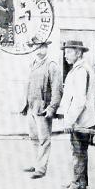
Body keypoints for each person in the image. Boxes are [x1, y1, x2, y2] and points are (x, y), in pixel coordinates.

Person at [57, 40, 95, 189]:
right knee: (80, 150)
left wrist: (69, 120)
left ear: (78, 52)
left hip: (81, 119)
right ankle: (80, 180)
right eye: (65, 52)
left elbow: (79, 100)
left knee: (78, 151)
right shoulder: (78, 69)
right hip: (81, 118)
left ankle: (78, 183)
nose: (65, 55)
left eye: (68, 52)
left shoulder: (81, 70)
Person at [21, 39, 62, 179]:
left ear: (46, 48)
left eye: (41, 47)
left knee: (44, 139)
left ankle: (41, 168)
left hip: (43, 108)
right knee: (33, 138)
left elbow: (57, 89)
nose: (38, 50)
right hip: (31, 107)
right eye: (35, 47)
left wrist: (52, 108)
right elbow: (29, 86)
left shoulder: (52, 66)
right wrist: (25, 105)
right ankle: (35, 163)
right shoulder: (32, 64)